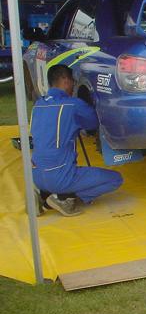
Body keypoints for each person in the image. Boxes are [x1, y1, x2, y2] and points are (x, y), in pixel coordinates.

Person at [30, 64, 123, 217]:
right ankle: (61, 198)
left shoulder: (38, 105)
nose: (74, 85)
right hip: (60, 177)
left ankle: (44, 194)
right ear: (65, 80)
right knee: (115, 179)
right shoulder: (73, 104)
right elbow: (93, 124)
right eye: (73, 81)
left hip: (36, 176)